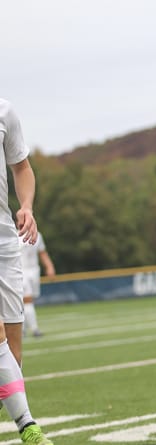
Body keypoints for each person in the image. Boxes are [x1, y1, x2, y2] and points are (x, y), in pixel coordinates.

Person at [0, 98, 54, 444]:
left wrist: (27, 207)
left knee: (14, 354)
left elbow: (22, 167)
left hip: (5, 239)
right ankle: (29, 428)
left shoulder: (4, 111)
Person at [20, 231, 55, 337]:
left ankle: (23, 330)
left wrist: (49, 266)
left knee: (29, 301)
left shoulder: (37, 235)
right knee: (27, 300)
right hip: (21, 271)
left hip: (34, 271)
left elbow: (42, 252)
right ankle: (34, 329)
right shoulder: (13, 234)